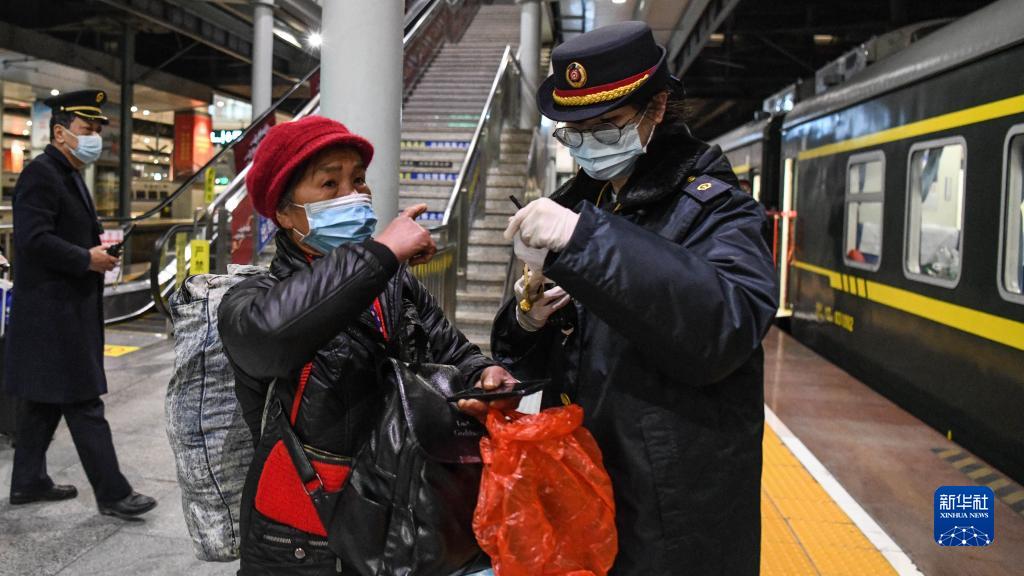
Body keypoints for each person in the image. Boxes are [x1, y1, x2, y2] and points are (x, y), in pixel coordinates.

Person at [493, 22, 777, 575]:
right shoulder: (579, 203)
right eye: (573, 134)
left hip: (674, 507)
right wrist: (527, 320)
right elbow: (535, 355)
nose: (587, 146)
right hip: (583, 487)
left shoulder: (716, 209)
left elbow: (725, 327)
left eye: (605, 128)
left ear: (658, 106)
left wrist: (585, 242)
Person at [218, 115, 516, 575]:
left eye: (357, 181)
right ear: (283, 212)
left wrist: (484, 375)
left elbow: (454, 351)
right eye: (329, 185)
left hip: (399, 510)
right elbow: (270, 339)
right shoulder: (253, 297)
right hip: (306, 537)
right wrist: (380, 254)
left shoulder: (393, 284)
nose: (353, 196)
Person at [3, 90, 156, 519]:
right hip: (54, 314)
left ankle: (28, 481)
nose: (94, 139)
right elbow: (32, 240)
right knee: (84, 402)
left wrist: (97, 251)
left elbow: (61, 235)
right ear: (60, 132)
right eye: (87, 130)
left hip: (64, 309)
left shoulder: (68, 174)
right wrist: (84, 258)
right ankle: (113, 493)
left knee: (42, 403)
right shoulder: (42, 174)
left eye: (96, 131)